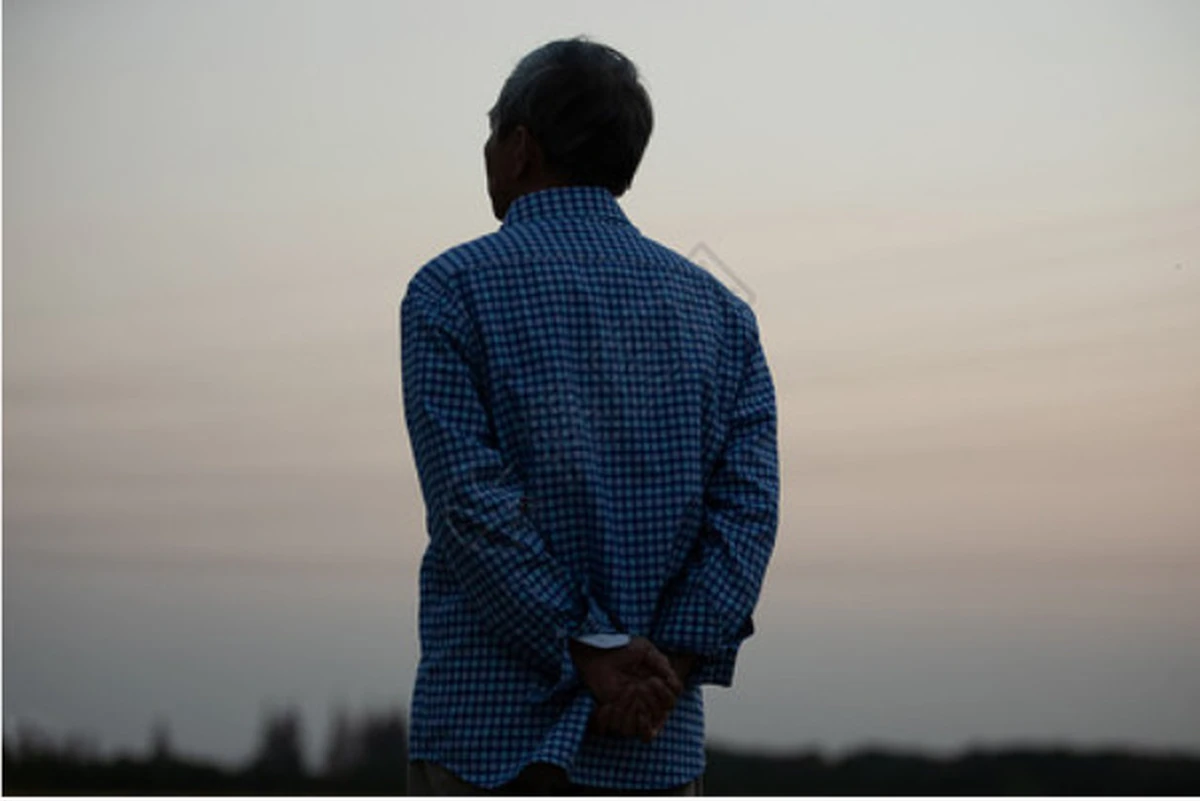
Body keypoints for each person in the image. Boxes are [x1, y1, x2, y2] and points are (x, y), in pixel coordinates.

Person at [399, 36, 779, 795]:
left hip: (486, 739)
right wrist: (663, 668)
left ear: (520, 148)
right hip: (652, 745)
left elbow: (471, 508)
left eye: (491, 131)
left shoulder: (449, 290)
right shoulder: (723, 315)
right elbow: (746, 517)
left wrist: (591, 651)